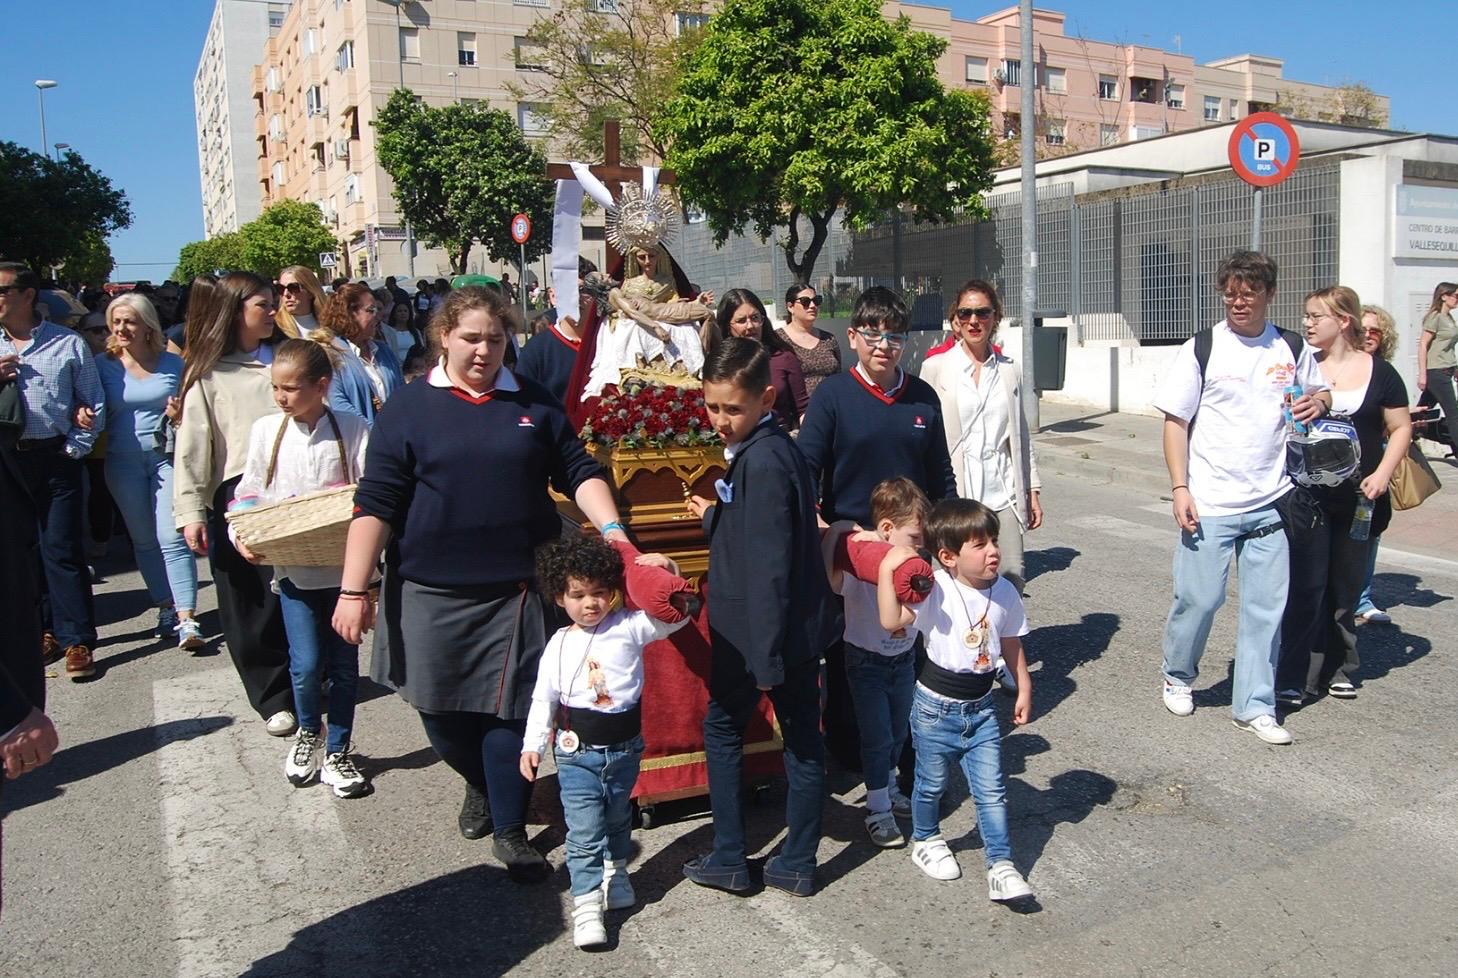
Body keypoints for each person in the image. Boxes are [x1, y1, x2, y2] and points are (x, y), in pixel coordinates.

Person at [333, 285, 633, 881]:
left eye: (495, 339)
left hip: (517, 588)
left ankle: (511, 829)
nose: (483, 350)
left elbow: (578, 470)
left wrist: (614, 531)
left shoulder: (532, 401)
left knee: (511, 714)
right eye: (470, 337)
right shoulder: (410, 409)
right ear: (443, 336)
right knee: (440, 713)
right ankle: (482, 782)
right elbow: (376, 503)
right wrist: (352, 589)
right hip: (428, 587)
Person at [1153, 251, 1330, 745]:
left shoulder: (1291, 347)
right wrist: (1180, 487)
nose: (1238, 302)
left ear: (1270, 294)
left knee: (1265, 611)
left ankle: (1254, 705)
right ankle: (1178, 675)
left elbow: (1321, 393)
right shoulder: (1203, 347)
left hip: (1273, 500)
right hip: (1210, 501)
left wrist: (1318, 402)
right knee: (1199, 599)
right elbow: (1175, 422)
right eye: (1230, 294)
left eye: (1249, 294)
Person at [682, 338, 837, 897]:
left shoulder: (763, 461)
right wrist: (716, 518)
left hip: (758, 636)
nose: (720, 421)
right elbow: (758, 529)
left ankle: (732, 856)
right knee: (802, 739)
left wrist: (766, 659)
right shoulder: (768, 448)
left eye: (733, 409)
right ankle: (796, 862)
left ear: (766, 399)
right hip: (786, 630)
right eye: (711, 407)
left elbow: (769, 565)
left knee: (732, 731)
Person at [797, 286, 957, 770]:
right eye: (872, 334)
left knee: (911, 650)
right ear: (853, 337)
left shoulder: (923, 398)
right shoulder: (833, 396)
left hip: (911, 548)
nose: (884, 345)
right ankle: (852, 756)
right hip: (855, 549)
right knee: (851, 657)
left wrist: (946, 544)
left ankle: (909, 755)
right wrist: (823, 526)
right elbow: (805, 468)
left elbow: (941, 477)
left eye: (894, 336)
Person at [520, 535, 690, 948]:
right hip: (576, 753)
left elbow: (678, 616)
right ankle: (586, 906)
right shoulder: (558, 644)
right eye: (578, 595)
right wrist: (532, 745)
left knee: (617, 819)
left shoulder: (629, 626)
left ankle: (617, 872)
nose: (590, 603)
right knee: (583, 832)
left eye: (599, 592)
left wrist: (669, 572)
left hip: (625, 749)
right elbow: (543, 698)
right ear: (559, 597)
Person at [231, 340, 372, 798]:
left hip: (346, 573)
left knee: (344, 666)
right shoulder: (266, 430)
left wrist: (371, 576)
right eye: (276, 387)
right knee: (307, 664)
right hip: (293, 571)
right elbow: (249, 491)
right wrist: (242, 534)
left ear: (321, 386)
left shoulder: (352, 427)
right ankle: (309, 731)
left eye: (291, 388)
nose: (281, 397)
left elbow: (371, 494)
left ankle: (339, 750)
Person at [876, 498, 1034, 901]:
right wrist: (887, 570)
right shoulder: (936, 589)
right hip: (934, 709)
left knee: (992, 791)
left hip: (982, 709)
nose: (993, 551)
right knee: (930, 785)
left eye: (993, 541)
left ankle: (1001, 865)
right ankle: (926, 839)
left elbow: (1011, 642)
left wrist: (1024, 685)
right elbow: (892, 621)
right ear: (948, 557)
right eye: (979, 545)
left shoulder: (1006, 592)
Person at [174, 271, 297, 737]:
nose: (272, 311)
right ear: (234, 310)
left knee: (300, 589)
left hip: (297, 488)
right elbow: (193, 447)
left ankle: (310, 674)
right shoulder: (209, 373)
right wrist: (190, 511)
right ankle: (273, 695)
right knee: (251, 600)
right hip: (240, 495)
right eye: (262, 304)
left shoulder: (288, 357)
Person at [1275, 287, 1410, 706]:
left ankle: (1338, 668)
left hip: (1360, 499)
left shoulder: (1381, 372)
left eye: (1316, 316)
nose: (1307, 323)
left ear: (1343, 320)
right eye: (1306, 316)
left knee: (1344, 588)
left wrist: (1382, 474)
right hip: (1306, 497)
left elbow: (1401, 427)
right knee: (1305, 586)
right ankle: (1297, 674)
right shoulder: (1301, 367)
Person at [0, 262, 103, 680]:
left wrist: (74, 449)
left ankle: (77, 638)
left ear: (28, 296)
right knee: (20, 551)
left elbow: (92, 401)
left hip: (54, 456)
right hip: (7, 461)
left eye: (2, 290)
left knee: (60, 547)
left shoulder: (67, 343)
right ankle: (43, 631)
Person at [822, 478, 928, 848]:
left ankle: (888, 787)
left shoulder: (914, 566)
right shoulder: (861, 561)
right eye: (914, 537)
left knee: (898, 732)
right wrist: (839, 532)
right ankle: (877, 808)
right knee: (876, 736)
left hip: (902, 660)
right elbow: (831, 577)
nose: (920, 546)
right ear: (886, 528)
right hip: (865, 661)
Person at [920, 279, 1043, 594]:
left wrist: (1032, 488)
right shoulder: (936, 368)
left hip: (1002, 492)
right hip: (955, 493)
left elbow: (1020, 435)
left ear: (995, 317)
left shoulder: (1009, 370)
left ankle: (1002, 630)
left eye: (983, 312)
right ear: (956, 319)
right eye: (966, 313)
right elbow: (923, 437)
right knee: (951, 588)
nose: (974, 320)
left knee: (1012, 580)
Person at [95, 293, 202, 650]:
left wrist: (179, 413)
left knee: (172, 536)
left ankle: (187, 617)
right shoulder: (101, 365)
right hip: (121, 461)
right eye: (116, 321)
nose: (121, 328)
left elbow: (194, 407)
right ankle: (165, 606)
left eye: (129, 321)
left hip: (165, 457)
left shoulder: (173, 363)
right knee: (143, 540)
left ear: (147, 326)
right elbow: (88, 403)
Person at [1354, 305, 1399, 624]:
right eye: (1364, 329)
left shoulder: (1385, 372)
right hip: (1336, 461)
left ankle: (1362, 597)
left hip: (1374, 458)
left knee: (1369, 528)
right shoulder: (1333, 367)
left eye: (1376, 331)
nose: (1369, 335)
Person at [711, 289, 809, 430]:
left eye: (755, 318)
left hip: (778, 436)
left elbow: (803, 409)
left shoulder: (783, 357)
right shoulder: (720, 363)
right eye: (741, 321)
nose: (750, 326)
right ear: (727, 326)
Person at [312, 283, 404, 426]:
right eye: (371, 310)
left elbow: (402, 394)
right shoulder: (330, 354)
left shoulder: (384, 351)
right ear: (349, 314)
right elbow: (339, 404)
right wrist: (376, 434)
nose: (377, 316)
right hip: (357, 436)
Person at [776, 283, 841, 398]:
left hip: (831, 404)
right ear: (790, 307)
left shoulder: (828, 339)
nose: (812, 306)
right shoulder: (777, 339)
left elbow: (838, 375)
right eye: (805, 301)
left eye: (816, 300)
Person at [1417, 282, 1458, 456]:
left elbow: (1447, 347)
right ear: (1444, 296)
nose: (1457, 299)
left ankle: (1400, 435)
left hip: (1446, 369)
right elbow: (1423, 345)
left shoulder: (1448, 318)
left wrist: (1455, 368)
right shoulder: (1435, 317)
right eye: (1456, 296)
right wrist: (1422, 375)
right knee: (1453, 414)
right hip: (1436, 372)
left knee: (1421, 412)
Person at [515, 307, 583, 404]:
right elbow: (522, 403)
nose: (578, 300)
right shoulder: (536, 349)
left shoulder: (604, 342)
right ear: (554, 299)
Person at [276, 266, 327, 338]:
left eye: (293, 288)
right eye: (281, 288)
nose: (286, 294)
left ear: (310, 291)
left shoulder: (331, 326)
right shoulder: (275, 328)